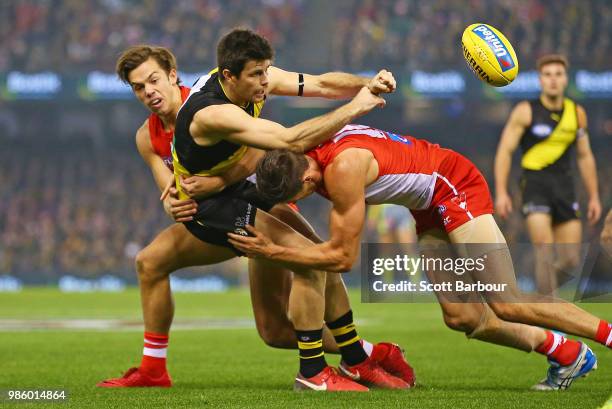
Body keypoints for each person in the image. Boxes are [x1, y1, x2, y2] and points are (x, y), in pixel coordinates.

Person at [99, 32, 413, 392]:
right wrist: (174, 199)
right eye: (138, 88)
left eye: (153, 80)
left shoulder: (230, 90)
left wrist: (367, 84)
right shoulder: (161, 132)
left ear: (173, 75)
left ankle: (360, 356)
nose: (148, 92)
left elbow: (312, 96)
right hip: (216, 211)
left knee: (278, 326)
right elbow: (171, 191)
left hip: (246, 194)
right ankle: (335, 366)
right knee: (151, 262)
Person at [230, 123, 611, 391]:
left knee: (506, 300)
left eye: (300, 196)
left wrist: (274, 251)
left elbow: (343, 258)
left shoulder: (343, 169)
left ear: (308, 180)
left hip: (452, 184)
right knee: (461, 316)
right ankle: (568, 352)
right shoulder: (299, 148)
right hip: (427, 206)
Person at [494, 54, 602, 295]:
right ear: (540, 80)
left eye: (558, 75)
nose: (553, 80)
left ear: (566, 80)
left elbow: (585, 156)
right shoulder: (525, 112)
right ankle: (548, 314)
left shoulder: (577, 114)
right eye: (547, 75)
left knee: (571, 259)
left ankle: (541, 293)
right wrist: (501, 192)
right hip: (535, 184)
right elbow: (505, 150)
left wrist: (594, 196)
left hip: (565, 186)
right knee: (543, 248)